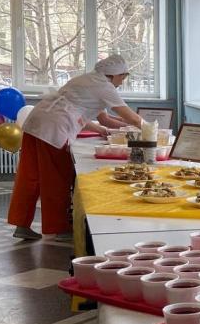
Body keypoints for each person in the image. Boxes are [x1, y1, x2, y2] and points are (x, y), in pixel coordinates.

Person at [8, 55, 144, 241]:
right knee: (56, 178)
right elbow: (132, 117)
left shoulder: (88, 79)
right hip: (54, 128)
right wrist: (149, 129)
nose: (123, 81)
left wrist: (104, 130)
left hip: (36, 122)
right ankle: (59, 228)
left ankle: (21, 224)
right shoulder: (105, 87)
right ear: (114, 75)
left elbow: (103, 119)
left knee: (30, 175)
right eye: (124, 76)